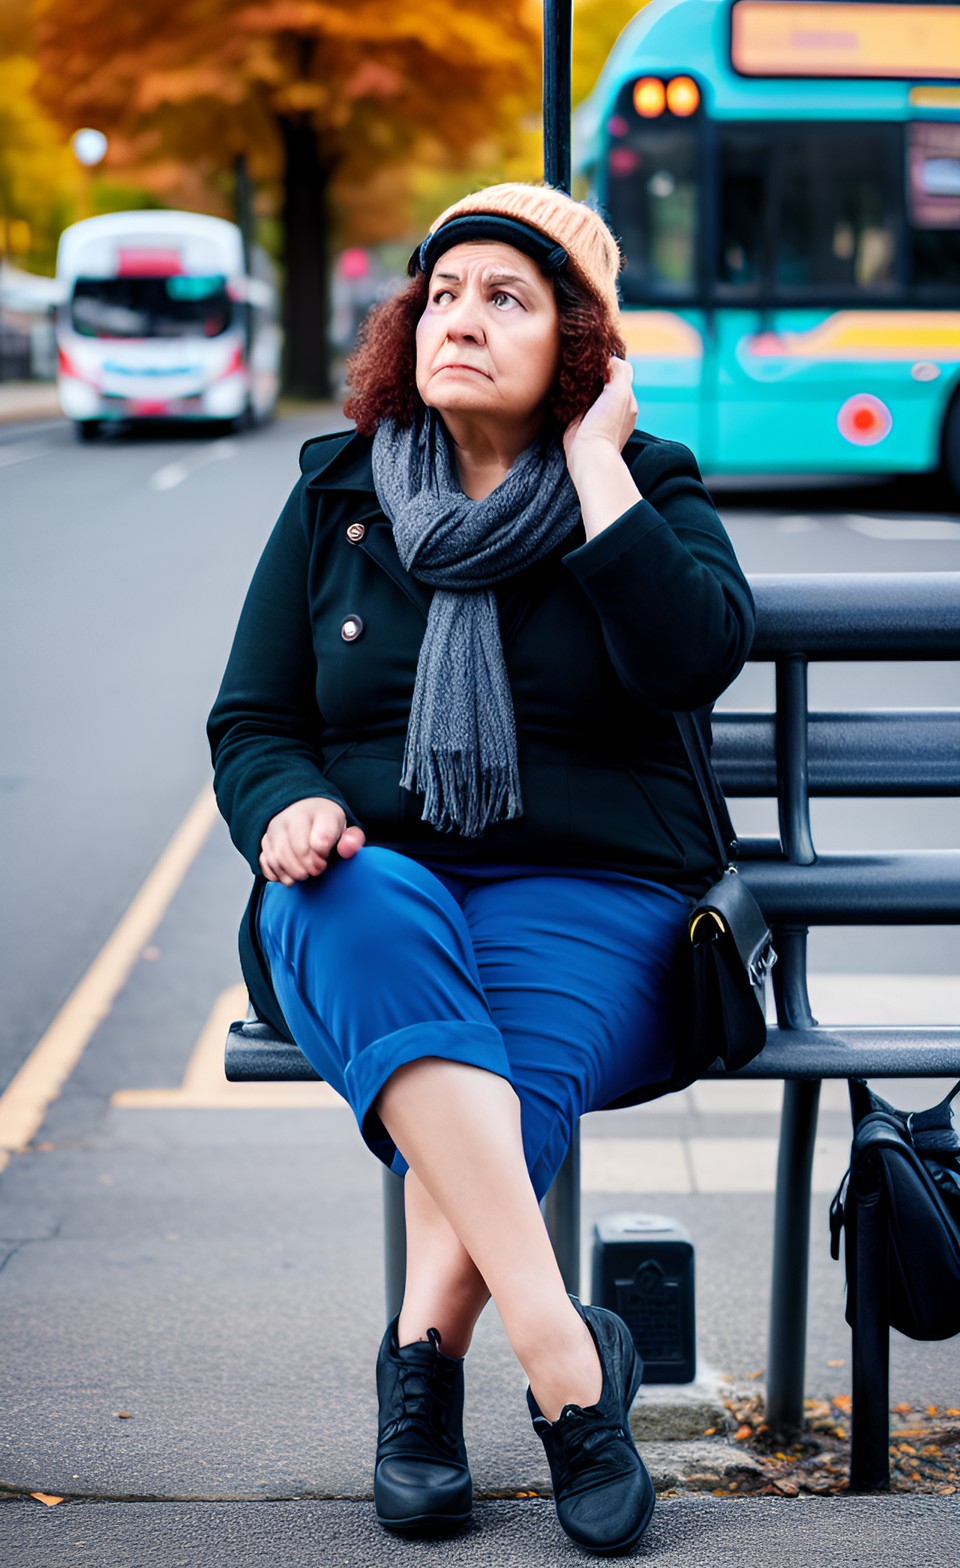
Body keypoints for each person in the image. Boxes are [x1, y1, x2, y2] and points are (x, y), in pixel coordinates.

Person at [208, 182, 755, 1554]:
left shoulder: (647, 487)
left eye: (505, 297)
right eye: (443, 294)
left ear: (579, 345)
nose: (461, 318)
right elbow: (257, 722)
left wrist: (600, 468)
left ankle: (419, 1370)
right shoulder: (338, 493)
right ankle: (569, 1368)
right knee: (358, 896)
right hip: (370, 894)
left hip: (597, 896)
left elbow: (693, 657)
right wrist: (286, 807)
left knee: (504, 1067)